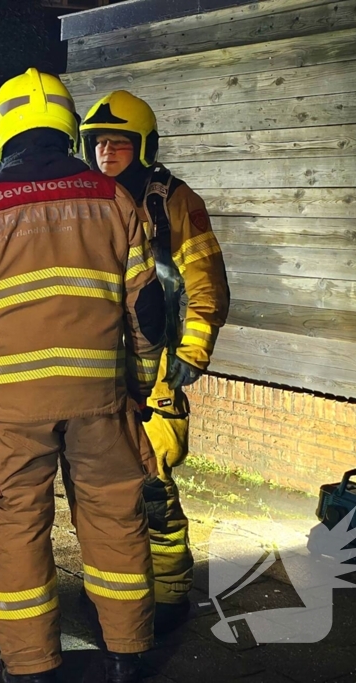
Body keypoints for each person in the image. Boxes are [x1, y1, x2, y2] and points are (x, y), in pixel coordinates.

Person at [0, 68, 166, 683]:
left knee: (16, 532)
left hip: (11, 414)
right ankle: (129, 655)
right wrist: (137, 388)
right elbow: (148, 312)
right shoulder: (115, 201)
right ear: (67, 130)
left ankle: (31, 668)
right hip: (99, 402)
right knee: (116, 520)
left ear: (3, 132)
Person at [78, 90, 230, 632]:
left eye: (120, 142)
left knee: (152, 479)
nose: (107, 152)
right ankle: (112, 589)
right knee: (95, 482)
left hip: (157, 357)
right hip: (97, 361)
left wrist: (192, 349)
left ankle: (168, 592)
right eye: (98, 142)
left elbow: (205, 282)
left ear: (144, 145)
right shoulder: (87, 200)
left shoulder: (174, 202)